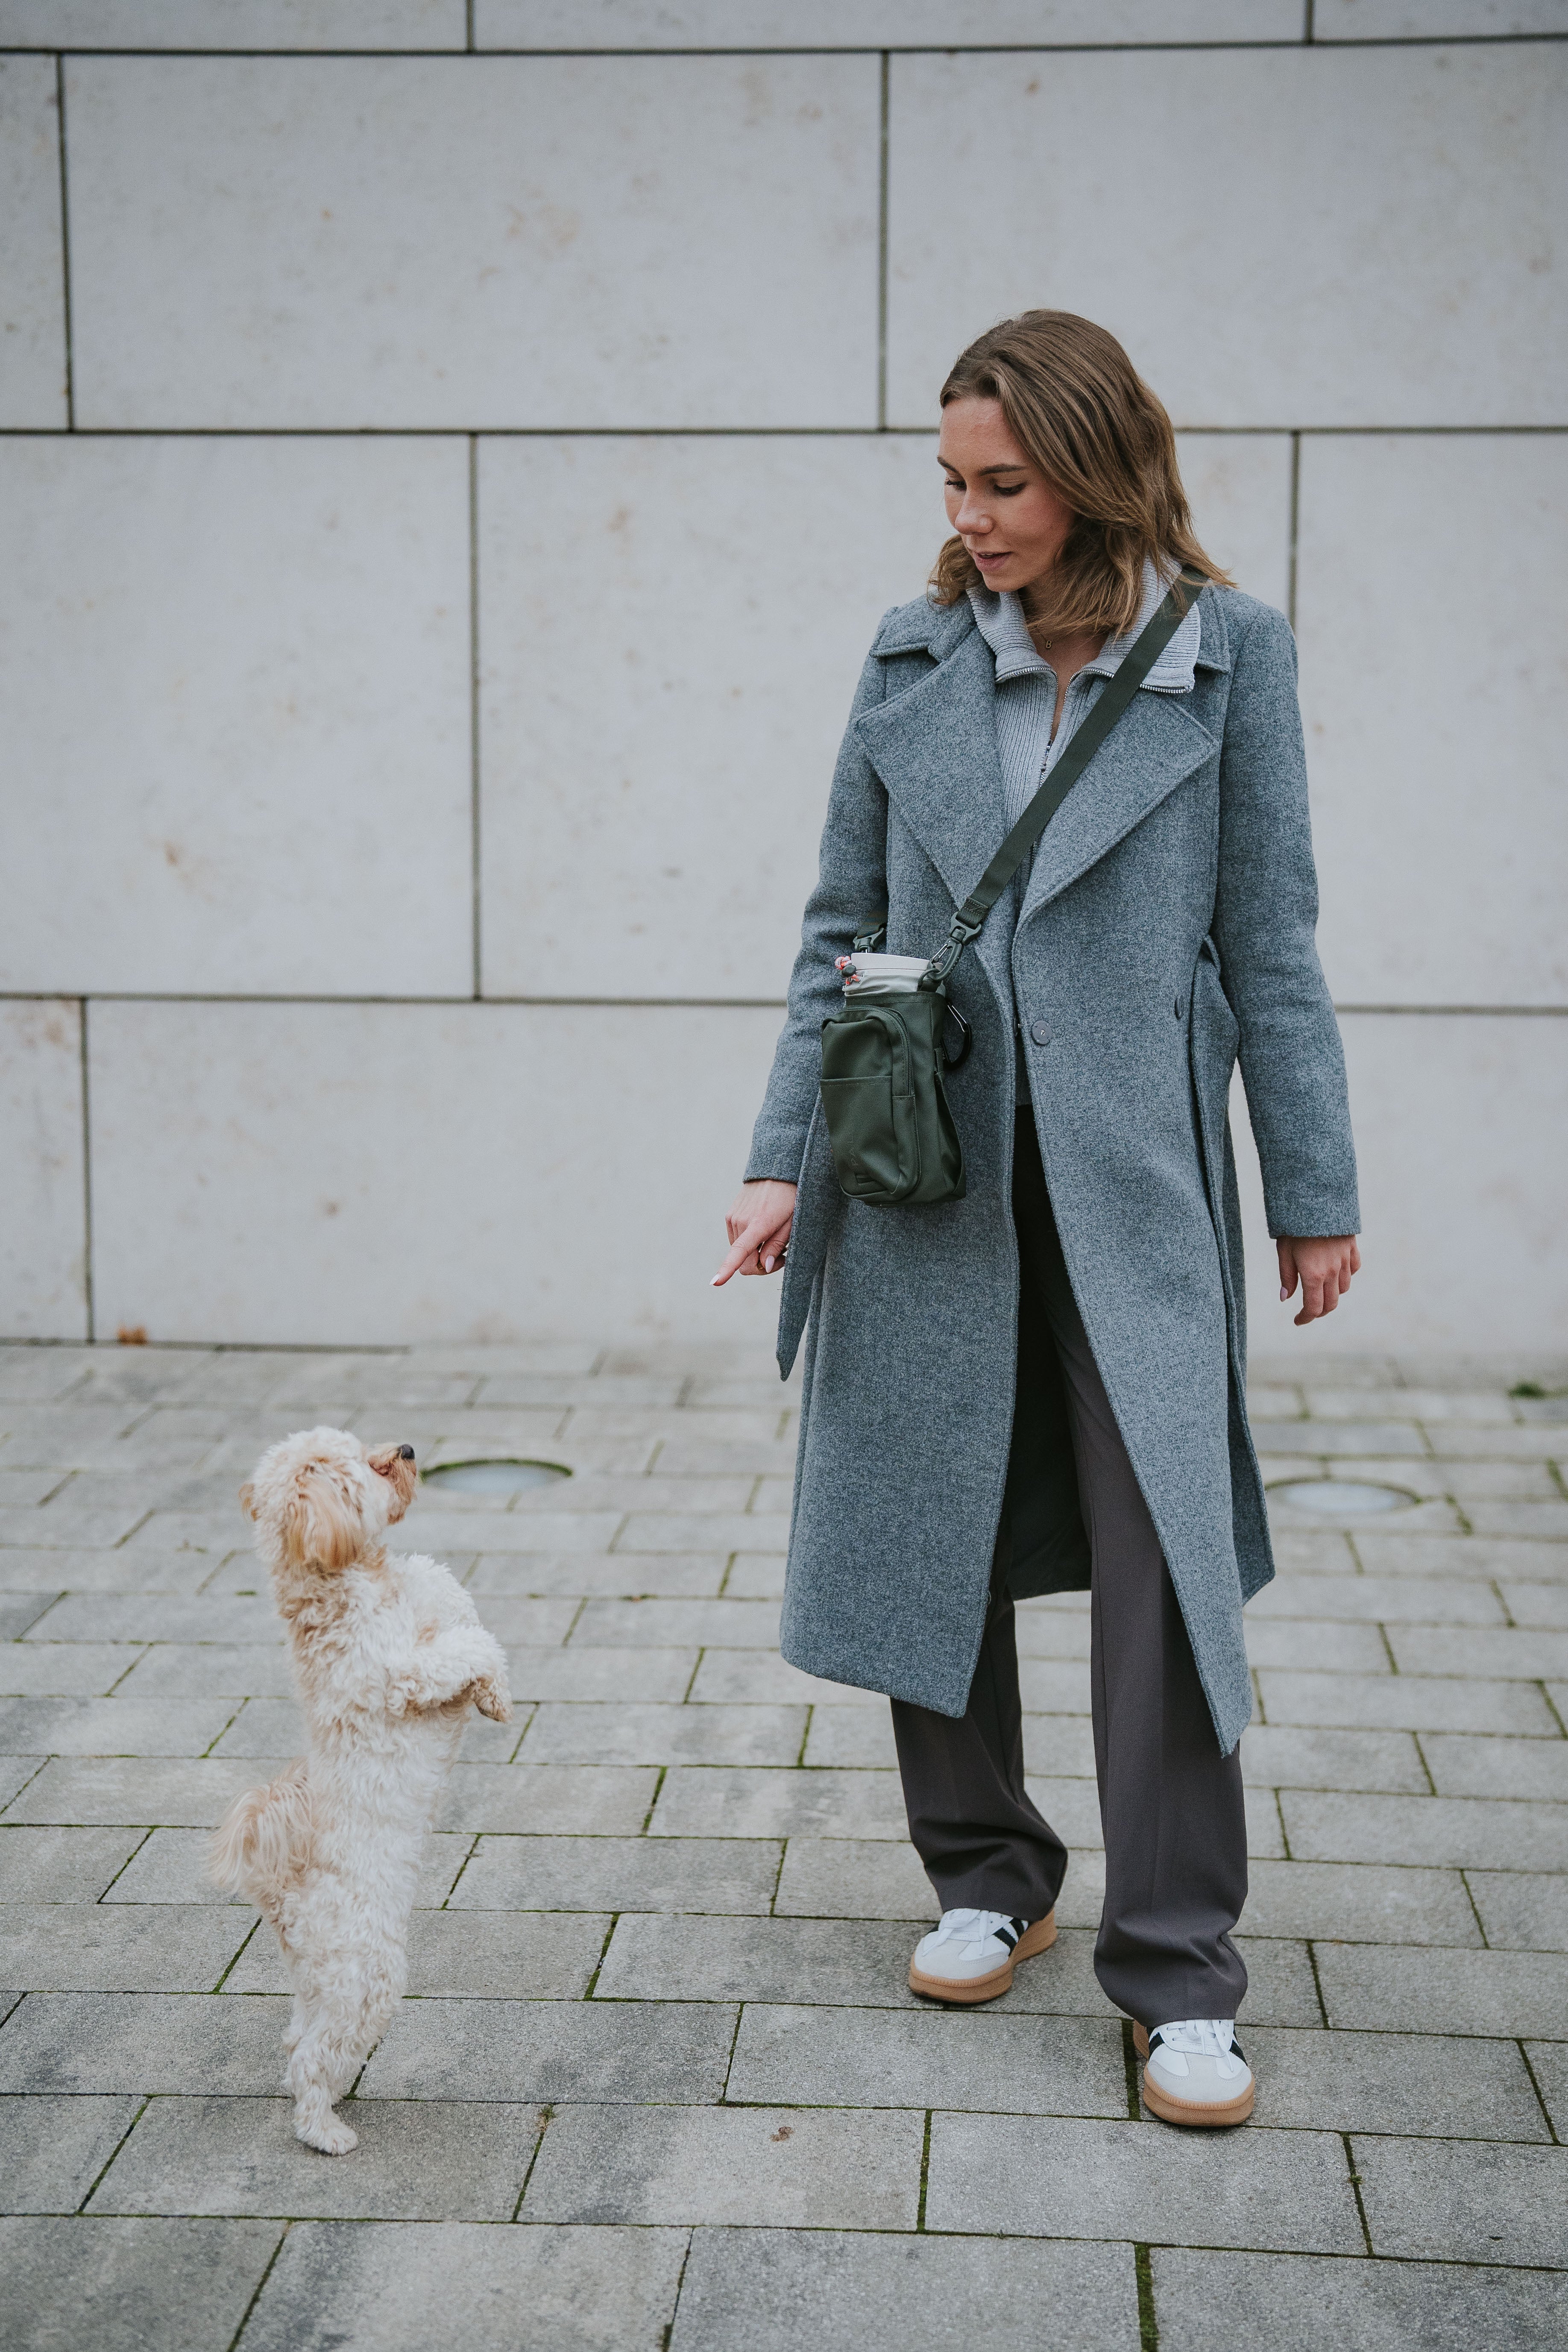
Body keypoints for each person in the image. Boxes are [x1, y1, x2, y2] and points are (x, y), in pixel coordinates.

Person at [714, 311, 1360, 2129]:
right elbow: (837, 928)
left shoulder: (1231, 659)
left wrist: (1314, 1188)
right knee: (938, 1525)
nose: (972, 514)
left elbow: (1275, 939)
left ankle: (1180, 1974)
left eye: (1005, 482)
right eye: (953, 479)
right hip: (928, 1166)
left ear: (1094, 470)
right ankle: (990, 1873)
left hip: (1135, 1177)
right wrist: (781, 1161)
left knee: (1163, 1569)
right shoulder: (911, 653)